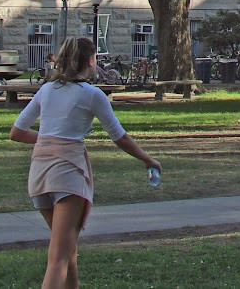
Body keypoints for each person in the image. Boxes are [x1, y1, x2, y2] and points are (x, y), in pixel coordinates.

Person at [10, 36, 161, 289]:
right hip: (68, 173)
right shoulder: (93, 95)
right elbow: (119, 136)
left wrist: (51, 139)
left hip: (39, 174)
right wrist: (148, 159)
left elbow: (17, 133)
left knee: (68, 250)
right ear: (91, 61)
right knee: (58, 258)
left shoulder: (46, 89)